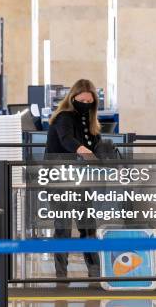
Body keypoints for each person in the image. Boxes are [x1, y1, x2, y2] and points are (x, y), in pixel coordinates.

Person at [46, 79, 102, 279]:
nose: (86, 104)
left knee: (87, 224)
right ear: (73, 97)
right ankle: (61, 273)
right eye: (82, 100)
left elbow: (95, 145)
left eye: (90, 101)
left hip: (80, 178)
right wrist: (85, 152)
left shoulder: (90, 121)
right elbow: (67, 139)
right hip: (58, 177)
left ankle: (94, 271)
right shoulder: (64, 116)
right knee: (63, 226)